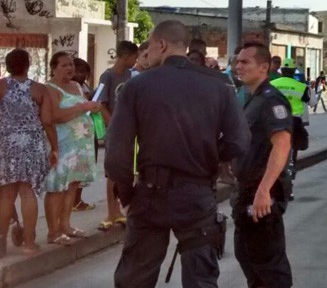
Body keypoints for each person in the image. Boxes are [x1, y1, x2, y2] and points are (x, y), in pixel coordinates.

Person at [105, 20, 250, 288]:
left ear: (161, 44)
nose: (146, 54)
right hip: (197, 194)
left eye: (148, 47)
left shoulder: (137, 86)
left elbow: (116, 152)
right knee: (201, 279)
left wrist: (127, 193)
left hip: (149, 194)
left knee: (134, 278)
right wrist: (209, 158)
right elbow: (240, 141)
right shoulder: (219, 86)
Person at [232, 43, 293, 288]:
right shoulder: (252, 99)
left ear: (264, 67)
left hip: (262, 195)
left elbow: (282, 144)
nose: (238, 66)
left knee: (269, 266)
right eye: (237, 61)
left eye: (245, 62)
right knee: (249, 258)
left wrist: (264, 190)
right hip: (246, 191)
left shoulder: (270, 100)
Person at [0, 49, 58, 257]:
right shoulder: (39, 90)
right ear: (28, 64)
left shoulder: (1, 87)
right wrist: (55, 148)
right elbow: (48, 122)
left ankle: (1, 243)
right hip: (32, 144)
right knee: (27, 192)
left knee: (6, 195)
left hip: (6, 144)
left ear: (7, 65)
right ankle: (28, 243)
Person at [45, 52, 100, 246]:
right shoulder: (50, 88)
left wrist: (91, 107)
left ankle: (65, 225)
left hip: (80, 145)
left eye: (71, 65)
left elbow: (84, 107)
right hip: (62, 144)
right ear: (53, 67)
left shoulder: (76, 86)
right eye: (64, 65)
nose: (69, 68)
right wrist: (83, 107)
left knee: (72, 186)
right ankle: (53, 231)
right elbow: (55, 116)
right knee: (57, 187)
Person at [98, 40, 138, 231]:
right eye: (134, 57)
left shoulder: (132, 76)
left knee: (126, 170)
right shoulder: (107, 76)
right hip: (115, 131)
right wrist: (114, 124)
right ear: (125, 56)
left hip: (130, 131)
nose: (135, 60)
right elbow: (100, 104)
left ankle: (121, 210)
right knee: (112, 173)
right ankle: (111, 211)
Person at [271, 58, 317, 189]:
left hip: (275, 121)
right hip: (294, 122)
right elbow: (312, 102)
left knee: (273, 152)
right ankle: (288, 185)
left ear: (282, 70)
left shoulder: (272, 84)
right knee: (292, 154)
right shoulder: (301, 87)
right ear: (293, 71)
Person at [71, 58, 96, 212]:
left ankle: (76, 200)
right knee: (75, 169)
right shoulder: (70, 88)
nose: (82, 75)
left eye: (85, 72)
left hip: (85, 131)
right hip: (75, 133)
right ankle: (74, 201)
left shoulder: (83, 86)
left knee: (82, 169)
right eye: (79, 71)